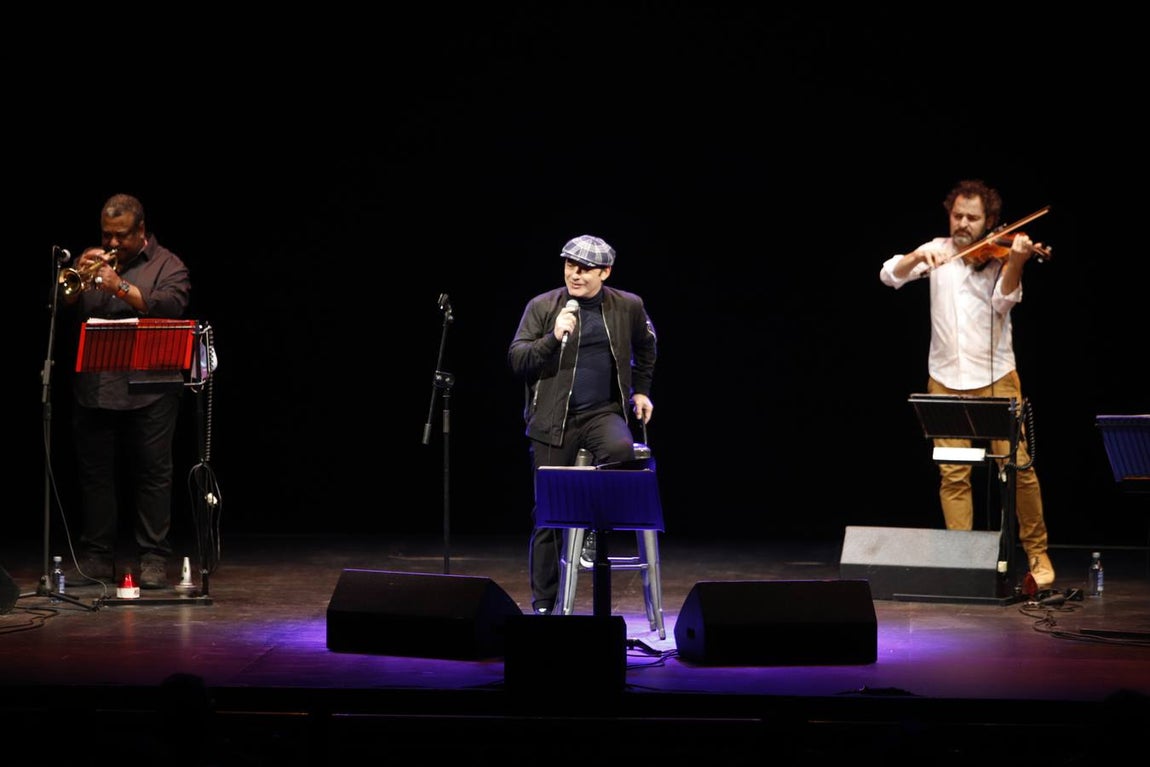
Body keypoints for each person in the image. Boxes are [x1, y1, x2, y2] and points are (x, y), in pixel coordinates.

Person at [879, 179, 1054, 589]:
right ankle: (962, 562)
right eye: (957, 215)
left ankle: (1038, 554)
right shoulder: (937, 250)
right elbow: (889, 275)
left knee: (1018, 469)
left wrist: (1016, 261)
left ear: (989, 221)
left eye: (972, 218)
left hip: (995, 378)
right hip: (943, 378)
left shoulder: (996, 256)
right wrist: (915, 256)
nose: (962, 223)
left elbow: (1003, 301)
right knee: (953, 473)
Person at [508, 234, 657, 615]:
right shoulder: (543, 306)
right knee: (548, 514)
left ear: (605, 272)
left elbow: (647, 345)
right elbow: (518, 359)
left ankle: (593, 530)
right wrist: (553, 337)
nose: (576, 274)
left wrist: (640, 391)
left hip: (601, 412)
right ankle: (544, 605)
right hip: (552, 421)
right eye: (570, 265)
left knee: (623, 452)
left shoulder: (628, 306)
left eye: (586, 269)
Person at [61, 193, 191, 589]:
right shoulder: (93, 261)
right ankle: (98, 556)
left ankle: (152, 556)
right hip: (97, 385)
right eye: (106, 235)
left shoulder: (169, 265)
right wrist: (71, 282)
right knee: (96, 475)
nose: (112, 244)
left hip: (150, 388)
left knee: (152, 474)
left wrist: (119, 286)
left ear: (141, 231)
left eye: (121, 236)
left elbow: (171, 306)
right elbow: (64, 305)